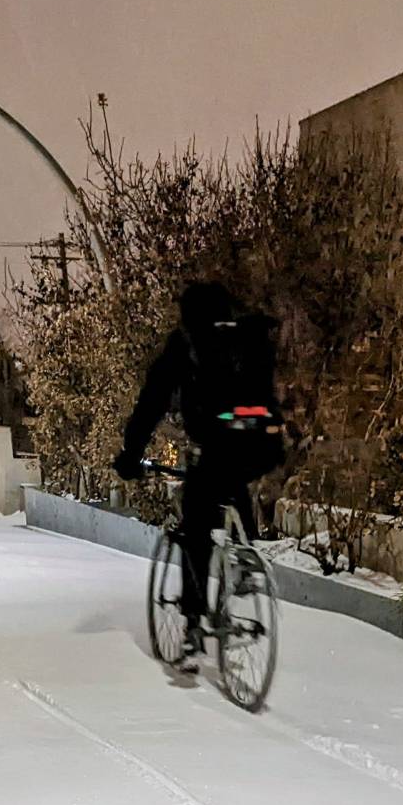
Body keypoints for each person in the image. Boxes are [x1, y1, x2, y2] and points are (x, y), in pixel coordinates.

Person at [113, 281, 283, 660]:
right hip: (262, 441)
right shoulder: (249, 334)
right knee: (233, 479)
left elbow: (151, 402)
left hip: (215, 444)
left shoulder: (186, 344)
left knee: (195, 526)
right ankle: (243, 555)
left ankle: (193, 623)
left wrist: (131, 454)